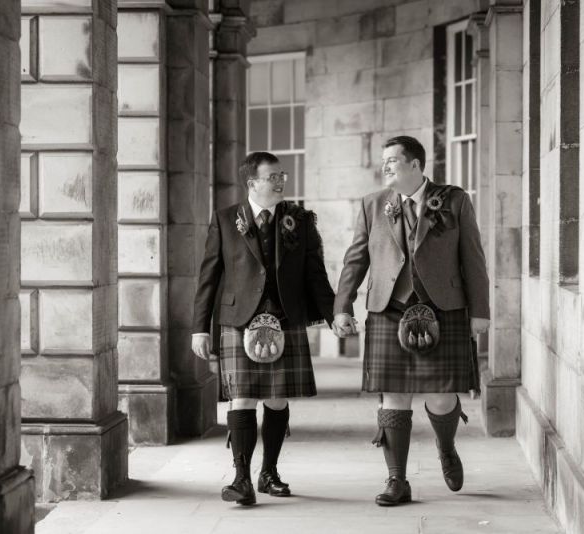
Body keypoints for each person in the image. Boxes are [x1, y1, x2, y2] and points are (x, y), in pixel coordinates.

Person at [332, 135, 490, 506]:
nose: (385, 166)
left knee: (439, 395)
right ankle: (396, 480)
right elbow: (356, 259)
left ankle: (446, 447)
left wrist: (479, 311)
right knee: (394, 395)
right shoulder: (373, 204)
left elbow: (473, 258)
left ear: (416, 165)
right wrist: (342, 306)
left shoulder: (453, 200)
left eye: (392, 160)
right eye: (384, 161)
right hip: (388, 308)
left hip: (443, 307)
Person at [192, 151, 335, 506]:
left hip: (284, 317)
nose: (280, 181)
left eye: (281, 175)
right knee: (241, 397)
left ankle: (268, 472)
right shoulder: (226, 220)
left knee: (276, 398)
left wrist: (336, 314)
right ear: (252, 182)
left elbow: (315, 271)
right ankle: (241, 479)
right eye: (272, 176)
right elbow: (209, 276)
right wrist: (200, 327)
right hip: (238, 319)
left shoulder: (298, 220)